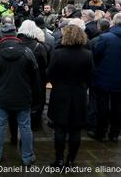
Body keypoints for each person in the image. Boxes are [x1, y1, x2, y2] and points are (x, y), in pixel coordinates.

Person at [0, 23, 40, 165]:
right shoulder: (27, 52)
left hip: (2, 95)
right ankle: (27, 156)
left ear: (2, 35)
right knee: (25, 126)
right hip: (23, 96)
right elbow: (35, 77)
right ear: (15, 33)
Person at [47, 25, 93, 168]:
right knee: (75, 129)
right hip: (79, 93)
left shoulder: (58, 53)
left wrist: (58, 84)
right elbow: (90, 76)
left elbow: (50, 74)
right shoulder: (87, 54)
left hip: (61, 92)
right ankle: (71, 160)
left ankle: (59, 159)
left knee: (60, 129)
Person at [92, 13, 121, 142]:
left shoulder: (106, 38)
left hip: (104, 76)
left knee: (102, 106)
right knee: (118, 106)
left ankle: (101, 132)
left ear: (115, 22)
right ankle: (114, 133)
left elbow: (95, 55)